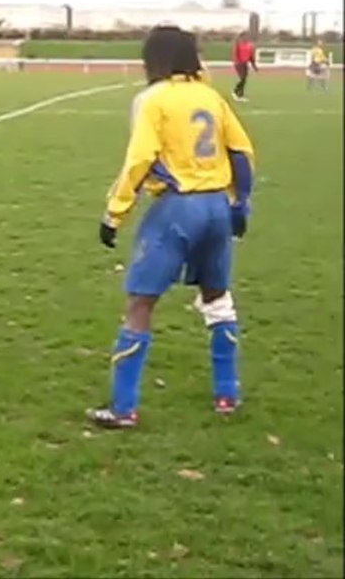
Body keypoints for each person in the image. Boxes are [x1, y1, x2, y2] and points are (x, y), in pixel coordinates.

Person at [89, 25, 255, 429]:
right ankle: (227, 393)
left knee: (140, 304)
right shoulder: (210, 97)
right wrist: (240, 205)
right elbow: (242, 152)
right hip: (217, 205)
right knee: (217, 298)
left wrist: (115, 213)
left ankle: (124, 407)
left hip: (177, 208)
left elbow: (140, 158)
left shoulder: (154, 100)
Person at [231, 31, 257, 102]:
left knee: (244, 79)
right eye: (244, 36)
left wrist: (254, 66)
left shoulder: (250, 45)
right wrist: (236, 61)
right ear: (241, 37)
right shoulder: (238, 44)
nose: (246, 38)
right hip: (239, 63)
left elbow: (251, 56)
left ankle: (240, 94)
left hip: (245, 64)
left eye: (247, 36)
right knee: (242, 78)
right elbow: (235, 53)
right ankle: (235, 91)